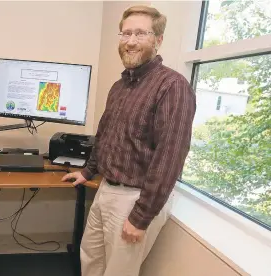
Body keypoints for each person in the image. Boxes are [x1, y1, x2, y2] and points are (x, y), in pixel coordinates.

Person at [62, 5, 196, 276]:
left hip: (134, 199)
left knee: (118, 272)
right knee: (90, 261)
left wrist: (141, 217)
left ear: (158, 40)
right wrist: (88, 171)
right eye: (125, 34)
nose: (130, 41)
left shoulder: (172, 86)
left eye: (140, 34)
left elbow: (169, 158)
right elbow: (106, 135)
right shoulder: (120, 86)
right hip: (106, 190)